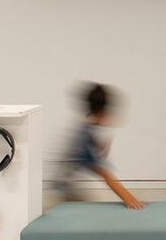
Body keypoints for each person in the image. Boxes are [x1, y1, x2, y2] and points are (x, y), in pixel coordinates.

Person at [57, 82, 146, 210]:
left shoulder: (85, 126)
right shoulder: (83, 137)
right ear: (103, 111)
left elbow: (91, 154)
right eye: (110, 112)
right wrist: (130, 199)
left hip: (67, 187)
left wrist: (100, 147)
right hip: (63, 193)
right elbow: (106, 175)